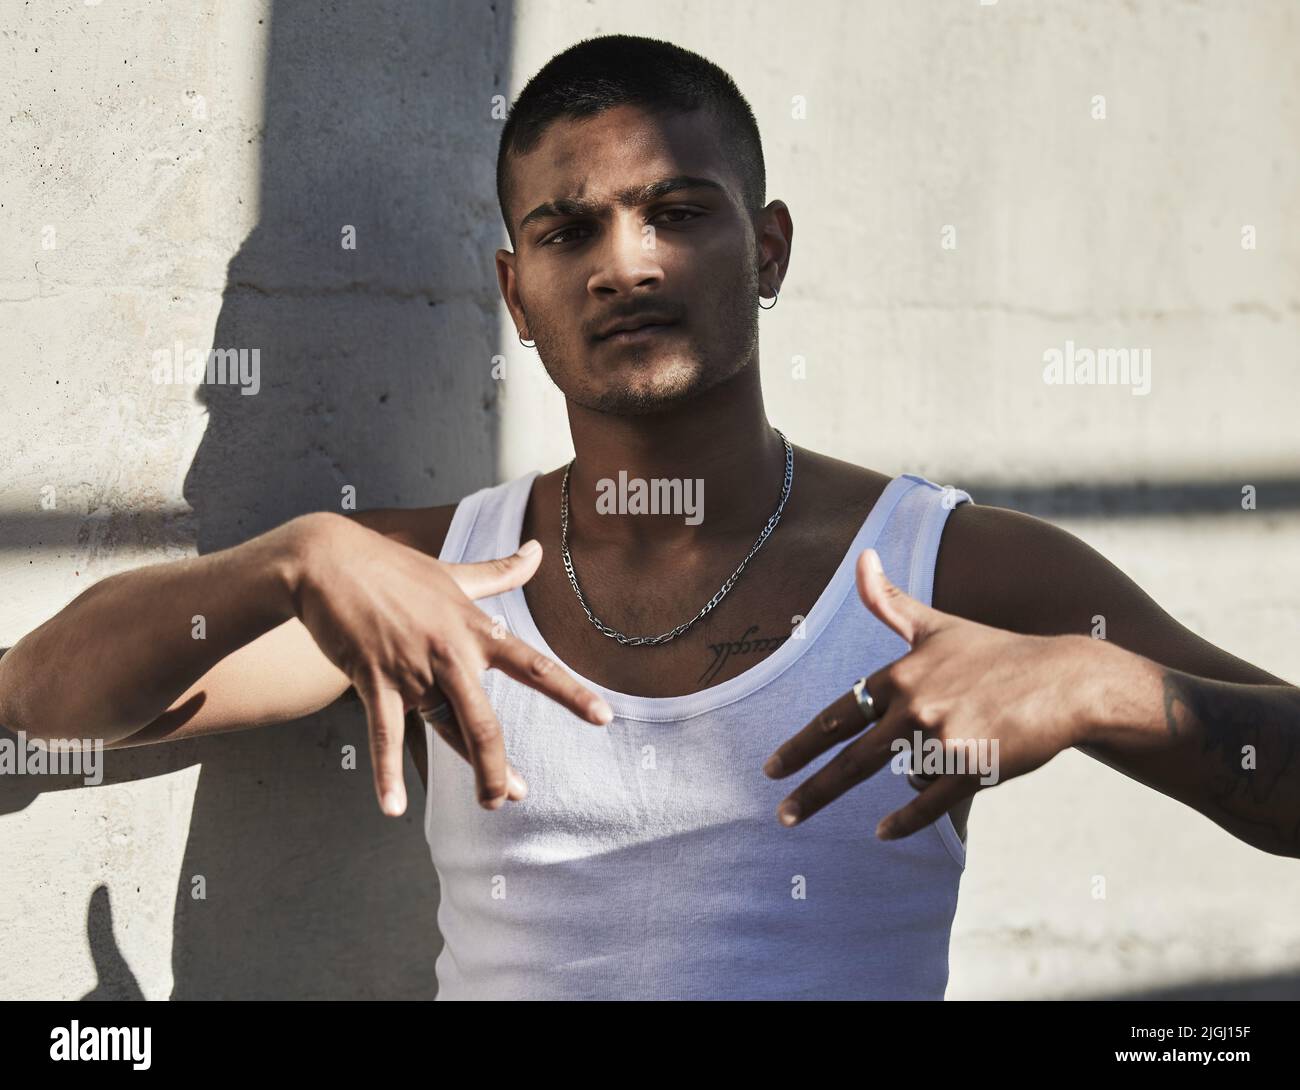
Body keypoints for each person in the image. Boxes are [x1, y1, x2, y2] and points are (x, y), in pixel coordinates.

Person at [2, 34, 1297, 1000]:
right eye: (570, 230)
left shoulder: (947, 562)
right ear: (517, 291)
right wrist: (289, 558)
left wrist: (1104, 686)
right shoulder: (430, 574)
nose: (625, 262)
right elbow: (31, 707)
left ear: (770, 248)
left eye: (677, 213)